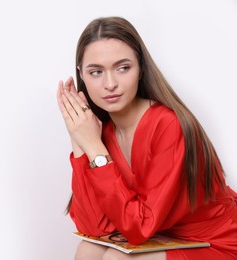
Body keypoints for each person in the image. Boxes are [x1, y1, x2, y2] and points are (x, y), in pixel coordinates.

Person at [56, 16, 237, 259]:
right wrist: (79, 138)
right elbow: (95, 228)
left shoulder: (168, 125)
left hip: (217, 242)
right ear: (82, 75)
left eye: (123, 68)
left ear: (140, 68)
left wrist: (95, 151)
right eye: (96, 72)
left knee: (116, 258)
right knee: (88, 249)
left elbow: (139, 227)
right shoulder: (103, 134)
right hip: (166, 238)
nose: (110, 84)